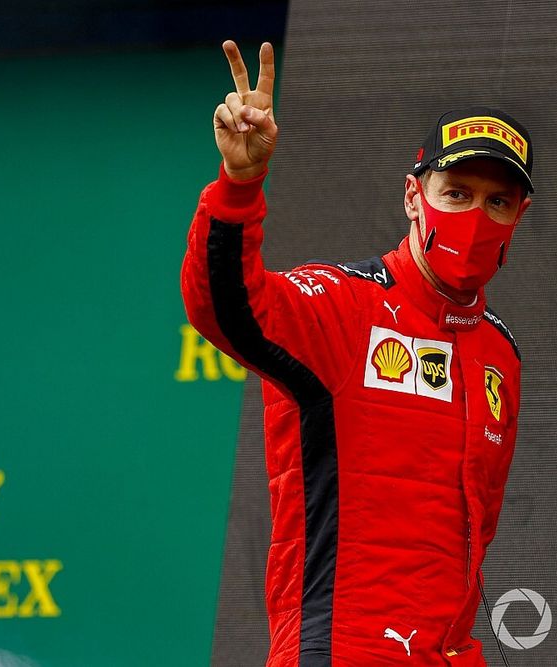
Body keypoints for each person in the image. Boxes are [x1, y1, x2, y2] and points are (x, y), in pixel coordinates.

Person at [180, 39, 534, 666]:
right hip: (340, 651)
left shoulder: (498, 353)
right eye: (456, 193)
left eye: (498, 202)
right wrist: (239, 184)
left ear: (519, 215)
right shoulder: (343, 307)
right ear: (412, 196)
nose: (476, 216)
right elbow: (227, 308)